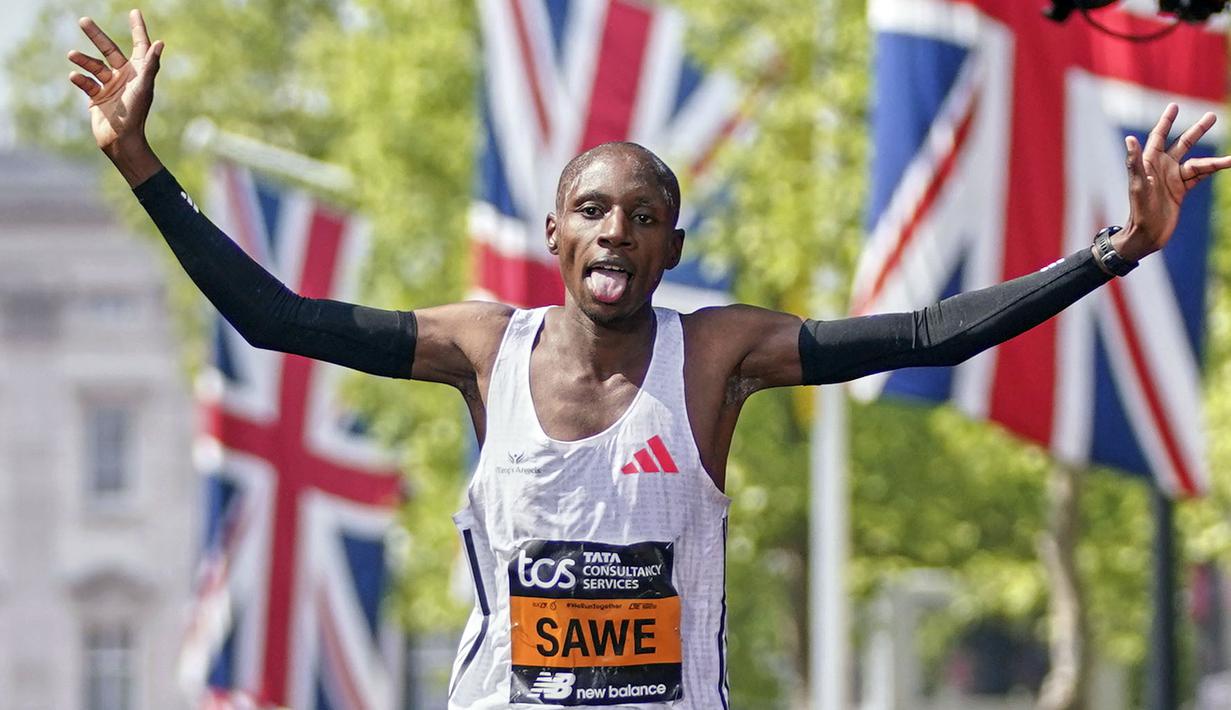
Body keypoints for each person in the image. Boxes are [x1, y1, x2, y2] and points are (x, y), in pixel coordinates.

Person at [69, 10, 1231, 709]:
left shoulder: (717, 355)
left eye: (640, 215)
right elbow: (277, 316)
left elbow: (928, 331)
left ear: (673, 244)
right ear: (555, 234)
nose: (615, 230)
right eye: (592, 209)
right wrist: (142, 168)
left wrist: (1113, 250)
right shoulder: (484, 347)